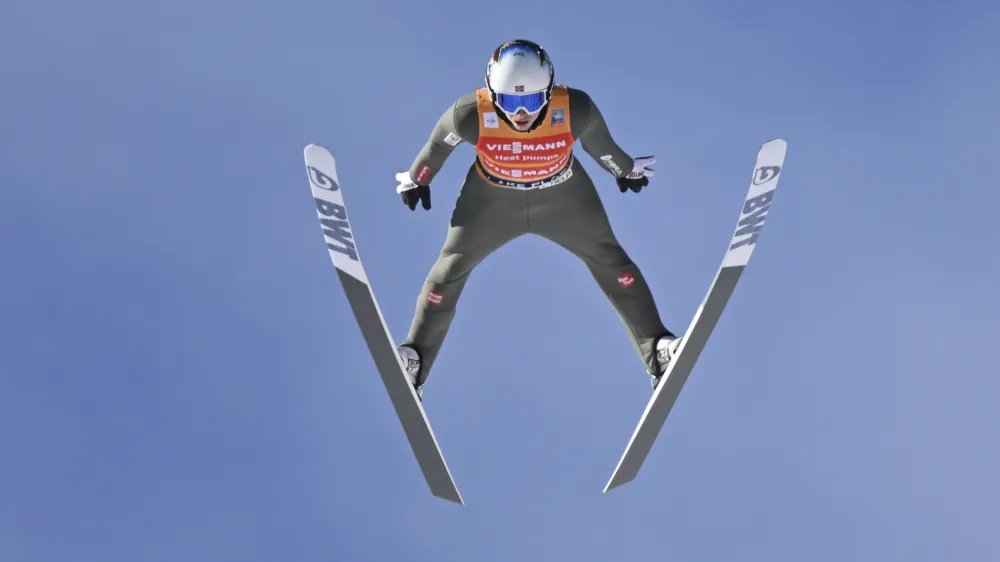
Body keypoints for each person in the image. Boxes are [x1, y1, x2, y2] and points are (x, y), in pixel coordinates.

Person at [393, 39, 681, 398]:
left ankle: (658, 349)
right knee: (448, 270)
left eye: (530, 100)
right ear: (491, 92)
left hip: (564, 200)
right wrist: (417, 178)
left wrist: (625, 171)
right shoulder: (469, 113)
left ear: (549, 89)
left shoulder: (575, 108)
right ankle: (415, 358)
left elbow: (601, 147)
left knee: (611, 260)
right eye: (511, 102)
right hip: (491, 203)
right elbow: (438, 144)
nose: (521, 113)